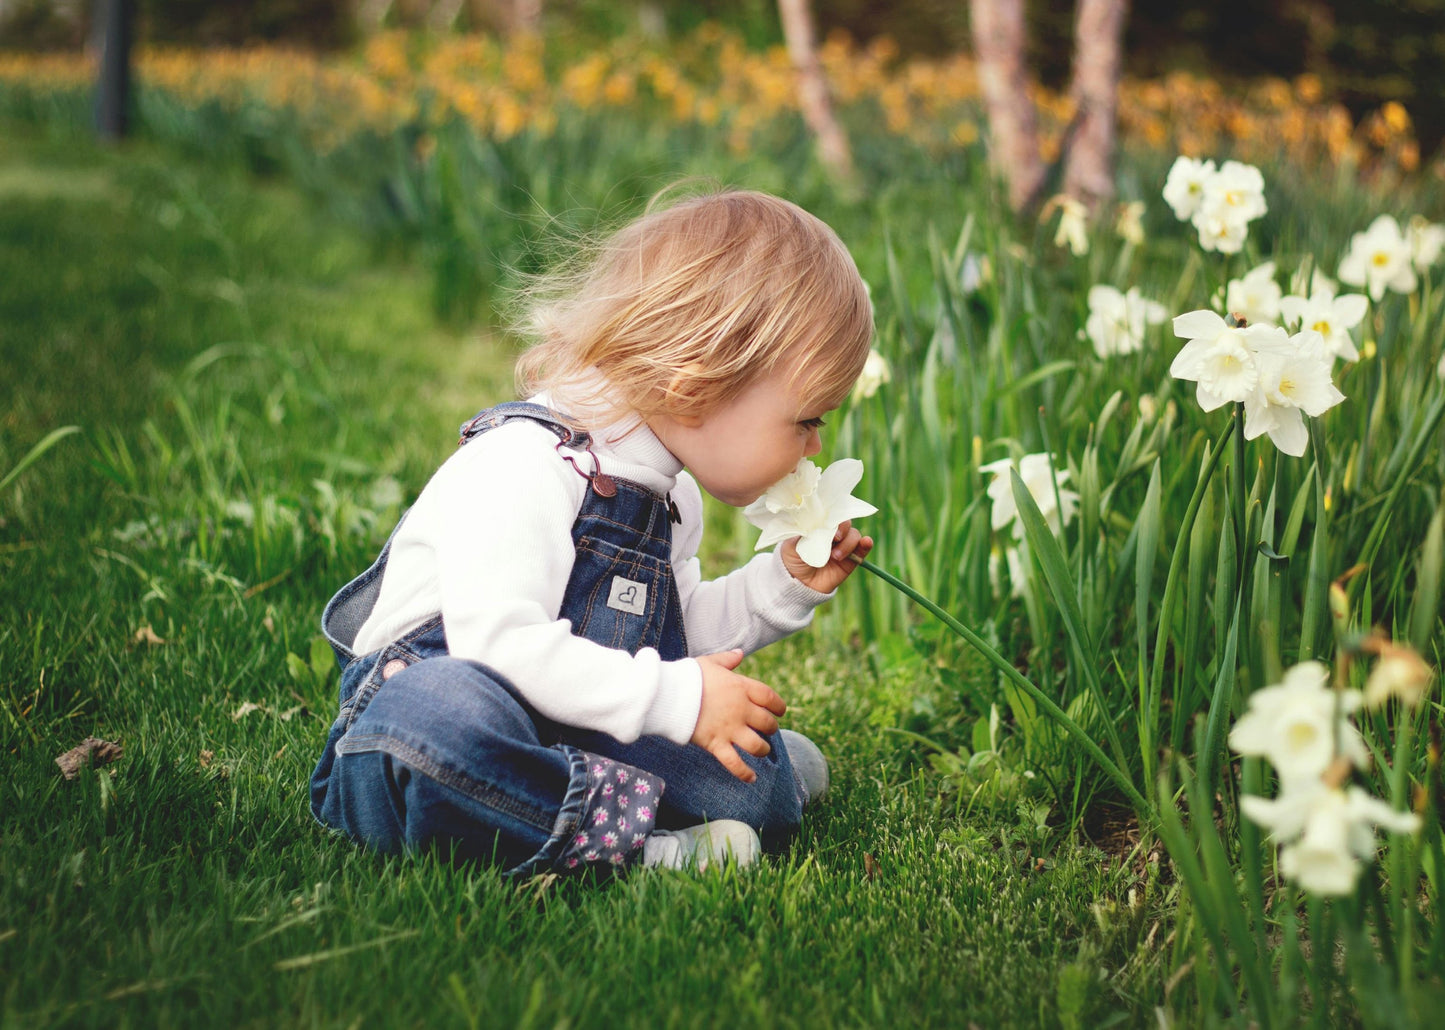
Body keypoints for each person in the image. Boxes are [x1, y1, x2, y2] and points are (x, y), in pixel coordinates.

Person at [308, 186, 876, 876]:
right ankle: (638, 850)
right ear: (695, 385)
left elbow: (670, 638)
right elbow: (499, 647)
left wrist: (779, 586)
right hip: (435, 724)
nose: (814, 447)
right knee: (439, 721)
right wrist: (678, 699)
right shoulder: (526, 464)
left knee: (753, 786)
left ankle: (735, 784)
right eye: (807, 420)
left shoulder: (670, 496)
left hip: (568, 717)